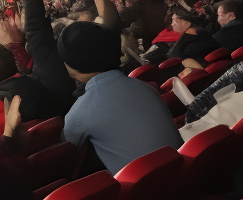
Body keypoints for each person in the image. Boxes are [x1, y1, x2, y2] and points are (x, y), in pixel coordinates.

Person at [59, 21, 182, 174]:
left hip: (147, 192)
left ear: (73, 64)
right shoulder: (146, 87)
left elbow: (67, 155)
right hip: (184, 175)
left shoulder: (79, 113)